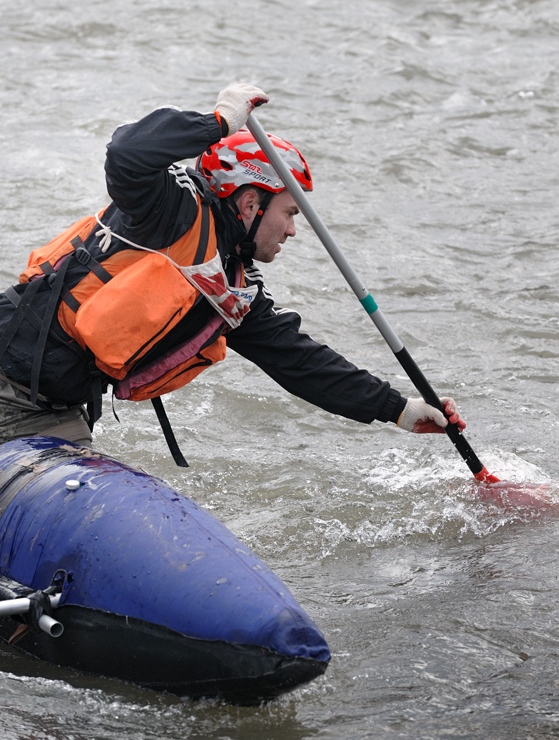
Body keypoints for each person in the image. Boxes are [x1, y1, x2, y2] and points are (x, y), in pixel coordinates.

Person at [0, 83, 465, 465]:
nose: (293, 230)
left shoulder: (230, 286)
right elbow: (126, 152)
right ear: (249, 203)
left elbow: (298, 361)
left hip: (53, 406)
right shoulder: (171, 210)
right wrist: (218, 122)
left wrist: (400, 410)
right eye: (289, 213)